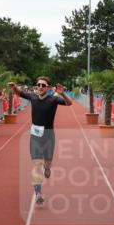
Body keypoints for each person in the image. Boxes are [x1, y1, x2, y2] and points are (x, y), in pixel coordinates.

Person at [9, 77, 71, 207]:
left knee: (47, 161)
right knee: (36, 164)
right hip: (35, 136)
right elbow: (19, 93)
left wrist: (63, 94)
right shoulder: (33, 97)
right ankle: (38, 193)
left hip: (48, 135)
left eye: (43, 85)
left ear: (48, 87)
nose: (40, 87)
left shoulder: (53, 99)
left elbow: (69, 103)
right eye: (38, 85)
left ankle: (47, 168)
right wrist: (14, 87)